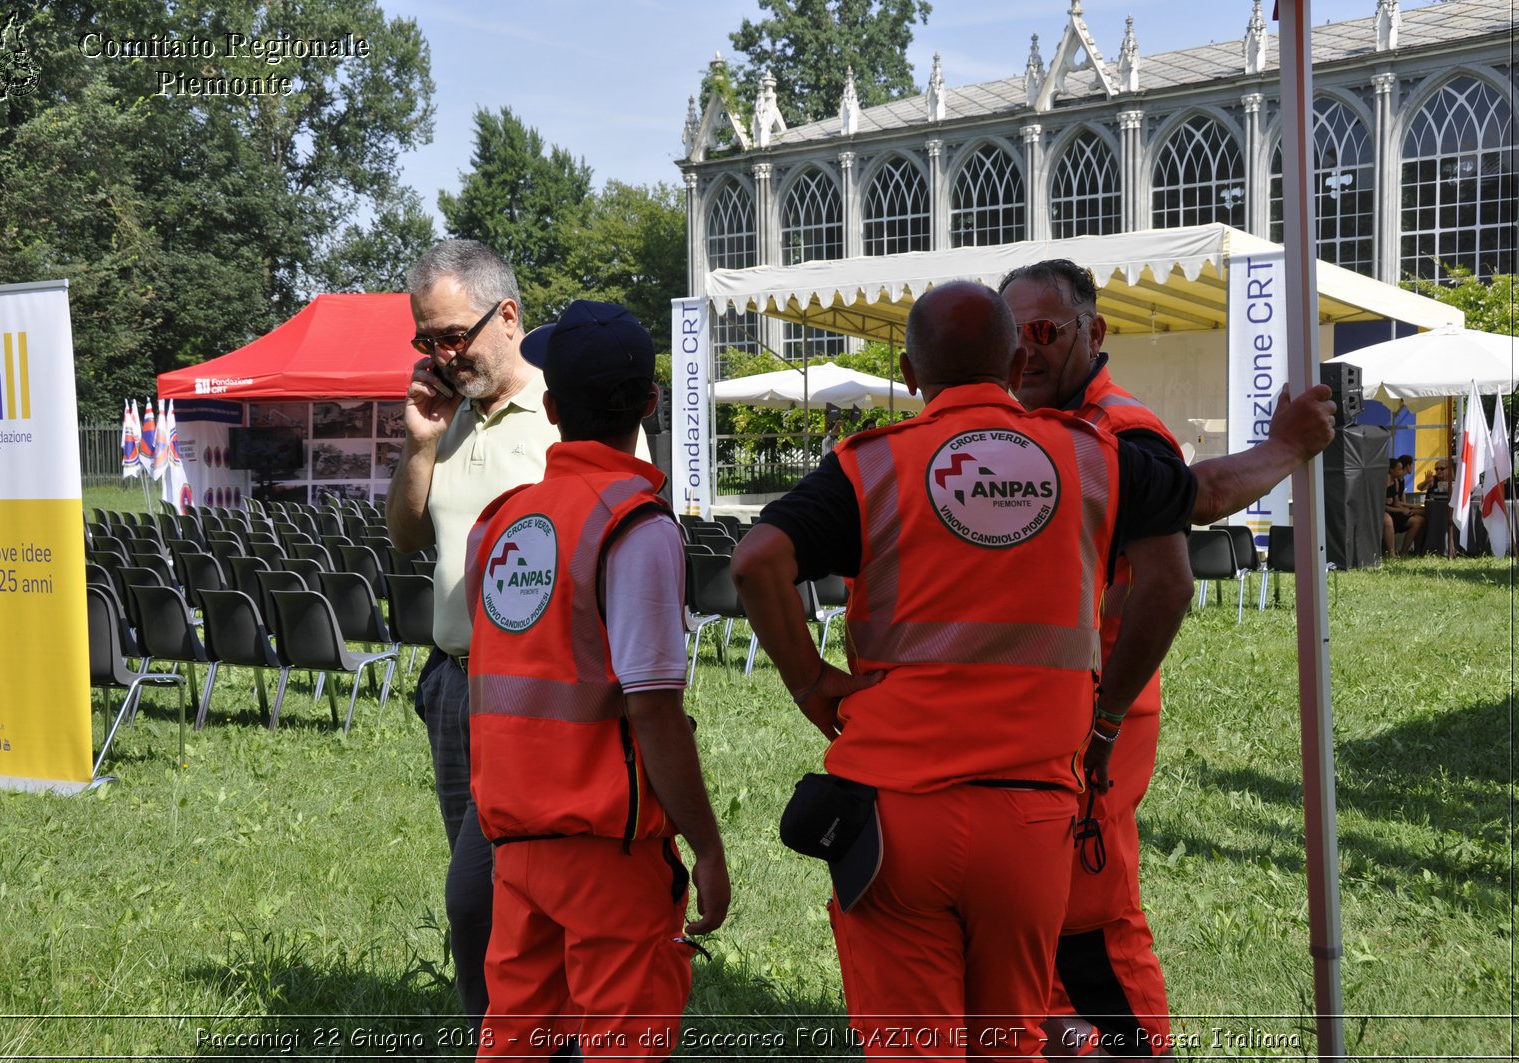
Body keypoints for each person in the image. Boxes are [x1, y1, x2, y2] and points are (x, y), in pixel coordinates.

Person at [731, 281, 1196, 1059]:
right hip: (1031, 821)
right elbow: (1171, 579)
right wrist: (1107, 712)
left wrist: (812, 681)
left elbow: (755, 562)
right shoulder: (1095, 458)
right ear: (1017, 359)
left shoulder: (870, 466)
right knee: (1011, 1043)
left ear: (911, 374)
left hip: (896, 818)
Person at [997, 259, 1335, 1058]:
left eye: (1044, 332)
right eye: (1012, 336)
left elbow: (1189, 517)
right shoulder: (1033, 427)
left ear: (1094, 333)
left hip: (1093, 725)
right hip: (1044, 728)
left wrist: (1106, 718)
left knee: (1091, 926)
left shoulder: (1121, 427)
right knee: (1040, 930)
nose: (1027, 353)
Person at [465, 300, 728, 1058]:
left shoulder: (503, 522)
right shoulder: (636, 526)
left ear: (550, 407)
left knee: (514, 1041)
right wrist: (706, 846)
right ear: (650, 403)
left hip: (515, 844)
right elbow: (654, 709)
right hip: (609, 849)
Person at [385, 239, 558, 1030]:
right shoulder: (444, 415)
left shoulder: (568, 411)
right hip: (453, 684)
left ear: (510, 315)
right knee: (487, 882)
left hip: (537, 693)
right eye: (427, 340)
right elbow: (406, 536)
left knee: (476, 896)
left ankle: (512, 1035)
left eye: (453, 335)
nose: (442, 355)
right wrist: (420, 445)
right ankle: (522, 1025)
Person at [1384, 456, 1426, 556]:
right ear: (1391, 470)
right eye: (1399, 469)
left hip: (1395, 510)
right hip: (1389, 512)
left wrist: (1408, 508)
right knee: (1417, 520)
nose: (1401, 471)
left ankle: (1416, 550)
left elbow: (1397, 502)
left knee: (1422, 516)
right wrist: (1404, 510)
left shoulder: (1397, 481)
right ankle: (1401, 552)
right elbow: (1384, 504)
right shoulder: (1388, 480)